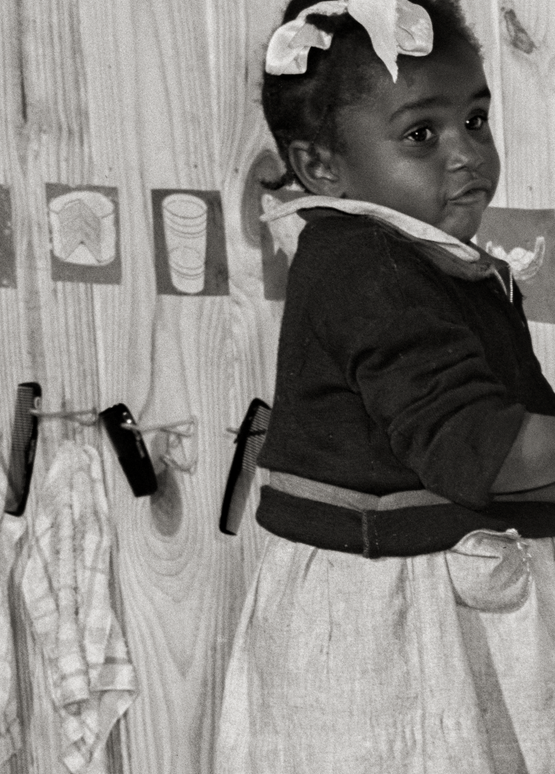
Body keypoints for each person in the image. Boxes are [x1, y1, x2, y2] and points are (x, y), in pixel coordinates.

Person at [216, 0, 555, 771]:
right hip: (384, 627)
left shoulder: (434, 260)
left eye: (475, 120)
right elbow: (483, 449)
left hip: (432, 602)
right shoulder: (364, 266)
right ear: (321, 167)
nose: (467, 154)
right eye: (421, 135)